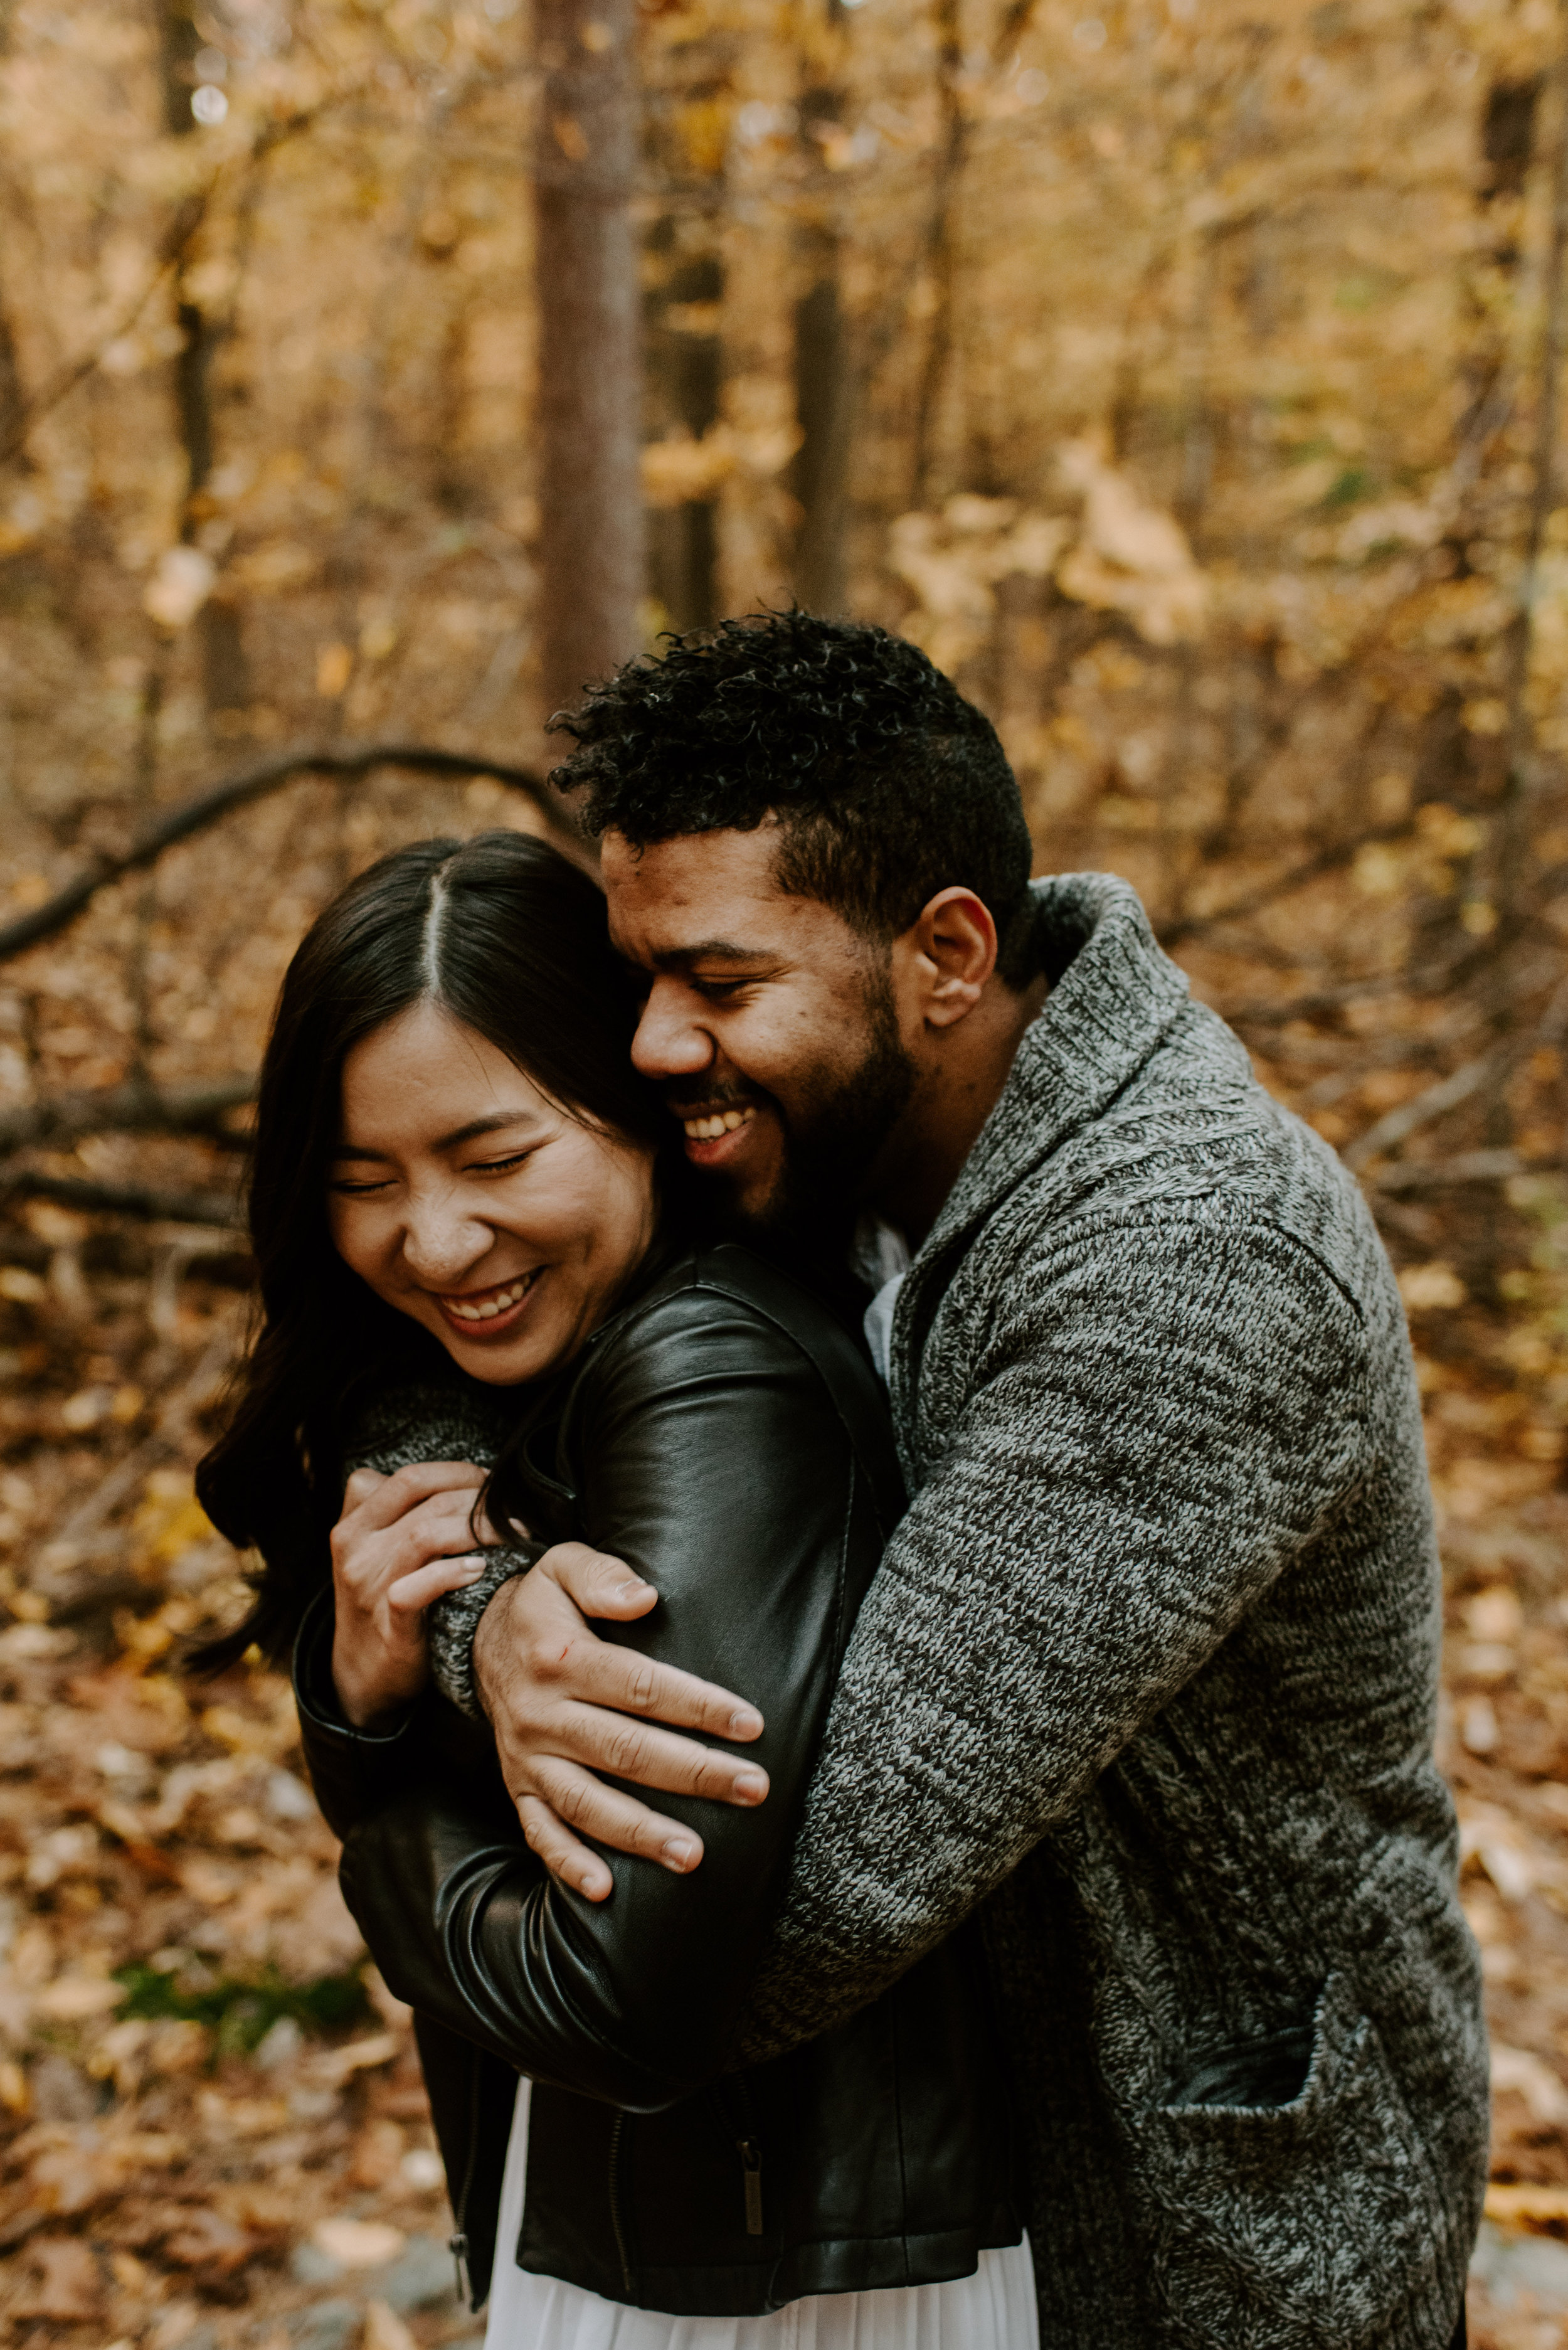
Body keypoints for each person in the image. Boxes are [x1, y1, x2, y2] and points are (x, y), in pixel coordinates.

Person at [403, 613, 1488, 2350]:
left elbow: (790, 1916)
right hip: (944, 2207)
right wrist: (485, 1594)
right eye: (641, 982)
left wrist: (432, 1681)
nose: (659, 1044)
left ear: (948, 953)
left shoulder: (1191, 1263)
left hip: (1209, 2231)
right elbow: (486, 1341)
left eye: (722, 981)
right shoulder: (812, 1125)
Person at [194, 830, 1036, 2347]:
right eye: (362, 1180)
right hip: (655, 2220)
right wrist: (376, 1686)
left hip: (780, 2275)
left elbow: (616, 1996)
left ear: (646, 1117)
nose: (434, 1240)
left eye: (497, 1157)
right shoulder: (499, 1390)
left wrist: (381, 1842)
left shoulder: (710, 1372)